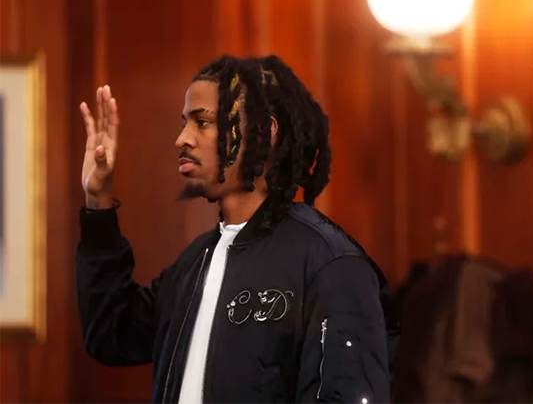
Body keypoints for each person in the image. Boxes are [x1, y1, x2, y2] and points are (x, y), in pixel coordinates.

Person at [76, 54, 398, 404]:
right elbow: (111, 333)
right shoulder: (195, 263)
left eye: (202, 122)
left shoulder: (330, 263)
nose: (182, 138)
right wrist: (98, 198)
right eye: (185, 123)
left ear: (263, 132)